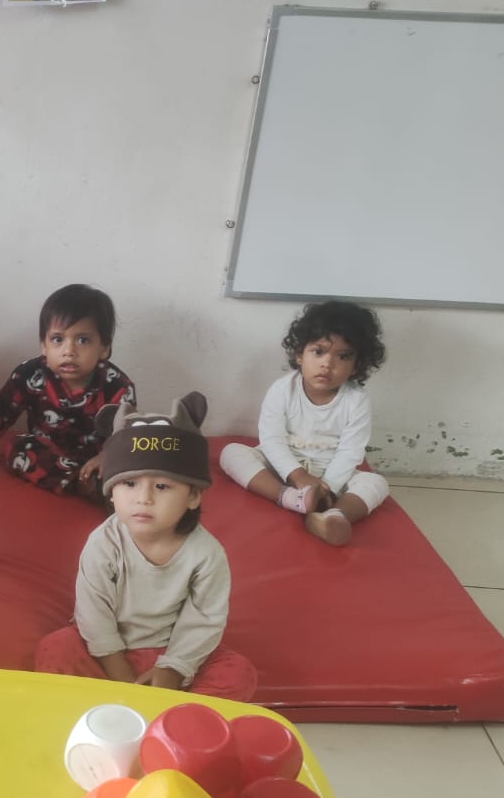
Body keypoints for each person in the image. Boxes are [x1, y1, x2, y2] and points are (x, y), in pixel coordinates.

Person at [35, 400, 257, 701]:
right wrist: (122, 678)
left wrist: (173, 669)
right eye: (129, 483)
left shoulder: (206, 554)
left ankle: (167, 713)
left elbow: (205, 619)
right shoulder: (103, 543)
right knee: (55, 649)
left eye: (162, 487)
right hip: (106, 654)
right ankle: (121, 707)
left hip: (171, 656)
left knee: (238, 673)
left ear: (193, 495)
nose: (144, 498)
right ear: (111, 492)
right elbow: (93, 613)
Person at [0, 283, 158, 499]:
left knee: (139, 455)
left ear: (104, 348)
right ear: (44, 345)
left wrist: (107, 456)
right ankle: (82, 483)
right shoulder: (29, 374)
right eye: (57, 339)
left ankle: (102, 483)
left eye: (83, 340)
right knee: (18, 448)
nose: (69, 351)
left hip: (97, 458)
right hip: (47, 453)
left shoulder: (118, 387)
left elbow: (125, 433)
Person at [219, 300, 389, 547]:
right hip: (282, 469)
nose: (327, 364)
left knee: (376, 483)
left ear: (357, 366)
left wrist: (328, 488)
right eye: (318, 352)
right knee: (231, 453)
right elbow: (272, 440)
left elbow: (351, 451)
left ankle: (335, 516)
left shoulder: (356, 400)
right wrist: (297, 476)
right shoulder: (282, 390)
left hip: (329, 473)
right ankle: (291, 499)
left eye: (343, 356)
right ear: (300, 354)